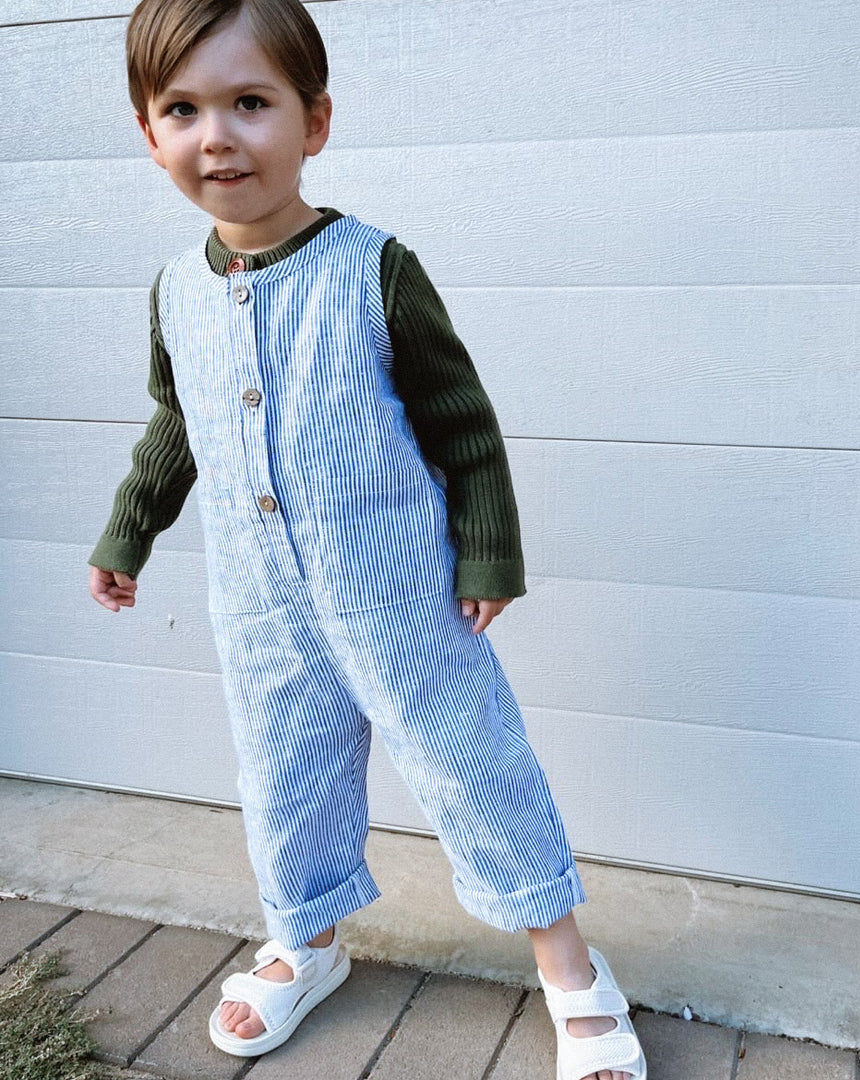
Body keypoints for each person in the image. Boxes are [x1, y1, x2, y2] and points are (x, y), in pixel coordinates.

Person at [86, 1, 647, 1078]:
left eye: (251, 103)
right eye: (184, 109)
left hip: (397, 592)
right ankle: (306, 942)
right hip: (259, 604)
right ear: (149, 133)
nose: (220, 136)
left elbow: (462, 425)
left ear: (315, 120)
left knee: (472, 765)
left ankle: (569, 965)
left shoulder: (374, 269)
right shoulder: (174, 293)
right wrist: (129, 532)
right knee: (282, 773)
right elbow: (178, 423)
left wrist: (487, 554)